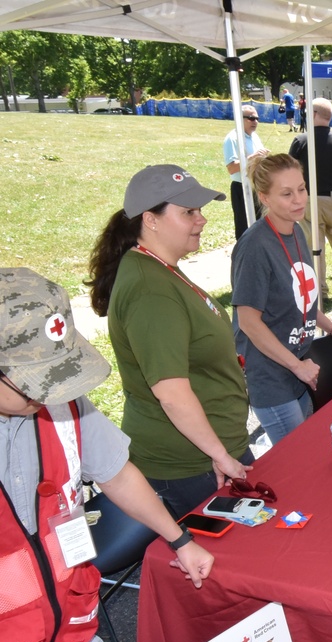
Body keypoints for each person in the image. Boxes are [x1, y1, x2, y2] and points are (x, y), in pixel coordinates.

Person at [1, 268, 216, 642]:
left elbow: (116, 474)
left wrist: (180, 540)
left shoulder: (61, 402)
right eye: (33, 381)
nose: (49, 393)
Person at [87, 165, 255, 518]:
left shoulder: (159, 268)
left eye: (199, 210)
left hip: (210, 451)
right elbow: (173, 393)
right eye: (189, 212)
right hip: (190, 464)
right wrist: (220, 455)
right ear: (151, 220)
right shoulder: (151, 291)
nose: (202, 220)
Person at [231, 153, 332, 445]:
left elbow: (303, 299)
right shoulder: (254, 247)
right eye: (287, 194)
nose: (299, 200)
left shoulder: (296, 230)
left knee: (309, 448)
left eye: (301, 189)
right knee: (302, 456)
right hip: (272, 378)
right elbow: (248, 322)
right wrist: (296, 366)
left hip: (299, 368)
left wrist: (330, 327)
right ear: (264, 197)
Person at [289, 97, 332, 298]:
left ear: (315, 114)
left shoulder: (301, 140)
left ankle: (321, 290)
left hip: (310, 200)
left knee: (314, 248)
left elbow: (289, 170)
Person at [222, 104, 267, 240]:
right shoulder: (232, 138)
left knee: (261, 226)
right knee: (244, 229)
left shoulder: (254, 137)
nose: (255, 122)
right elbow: (231, 168)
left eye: (257, 118)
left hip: (257, 186)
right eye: (251, 118)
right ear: (239, 119)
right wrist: (252, 158)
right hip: (241, 188)